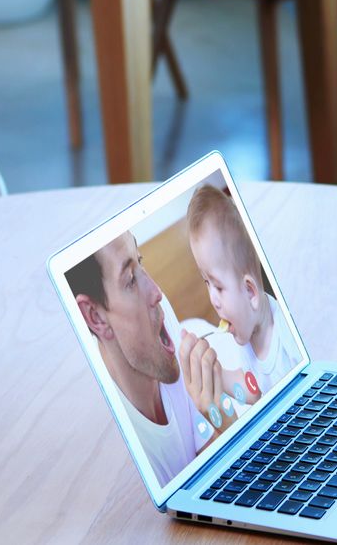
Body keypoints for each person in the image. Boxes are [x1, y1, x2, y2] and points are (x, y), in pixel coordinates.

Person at [68, 232, 236, 485]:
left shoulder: (161, 320)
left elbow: (209, 453)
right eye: (131, 280)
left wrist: (224, 419)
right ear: (95, 317)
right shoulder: (121, 457)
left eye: (140, 260)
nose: (157, 293)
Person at [185, 184, 300, 396]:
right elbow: (253, 387)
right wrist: (215, 374)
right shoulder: (245, 332)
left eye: (218, 286)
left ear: (250, 292)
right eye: (207, 283)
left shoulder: (288, 339)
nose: (213, 299)